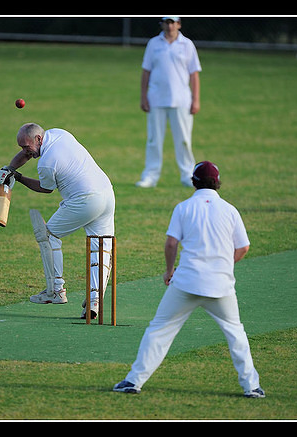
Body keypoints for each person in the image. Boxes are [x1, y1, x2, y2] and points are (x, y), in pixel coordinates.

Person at [114, 161, 265, 398]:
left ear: (194, 182)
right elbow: (243, 247)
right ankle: (252, 387)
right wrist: (224, 265)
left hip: (186, 283)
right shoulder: (230, 210)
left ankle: (134, 381)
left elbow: (171, 242)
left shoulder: (183, 208)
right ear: (217, 183)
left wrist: (168, 270)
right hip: (221, 286)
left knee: (159, 330)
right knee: (236, 333)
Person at [0, 123, 115, 319]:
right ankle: (95, 300)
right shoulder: (59, 133)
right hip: (107, 195)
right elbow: (28, 154)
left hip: (84, 200)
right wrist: (9, 168)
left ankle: (55, 291)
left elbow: (46, 189)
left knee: (48, 235)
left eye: (26, 147)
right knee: (101, 246)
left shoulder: (46, 163)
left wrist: (17, 177)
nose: (24, 151)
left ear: (38, 139)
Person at [135, 16, 202, 188]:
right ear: (162, 24)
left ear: (178, 24)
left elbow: (194, 74)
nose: (170, 25)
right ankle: (150, 175)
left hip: (181, 100)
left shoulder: (187, 45)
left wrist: (196, 99)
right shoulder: (153, 44)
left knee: (184, 140)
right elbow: (146, 71)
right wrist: (143, 96)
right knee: (154, 140)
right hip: (156, 98)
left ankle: (188, 175)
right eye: (167, 22)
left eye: (173, 22)